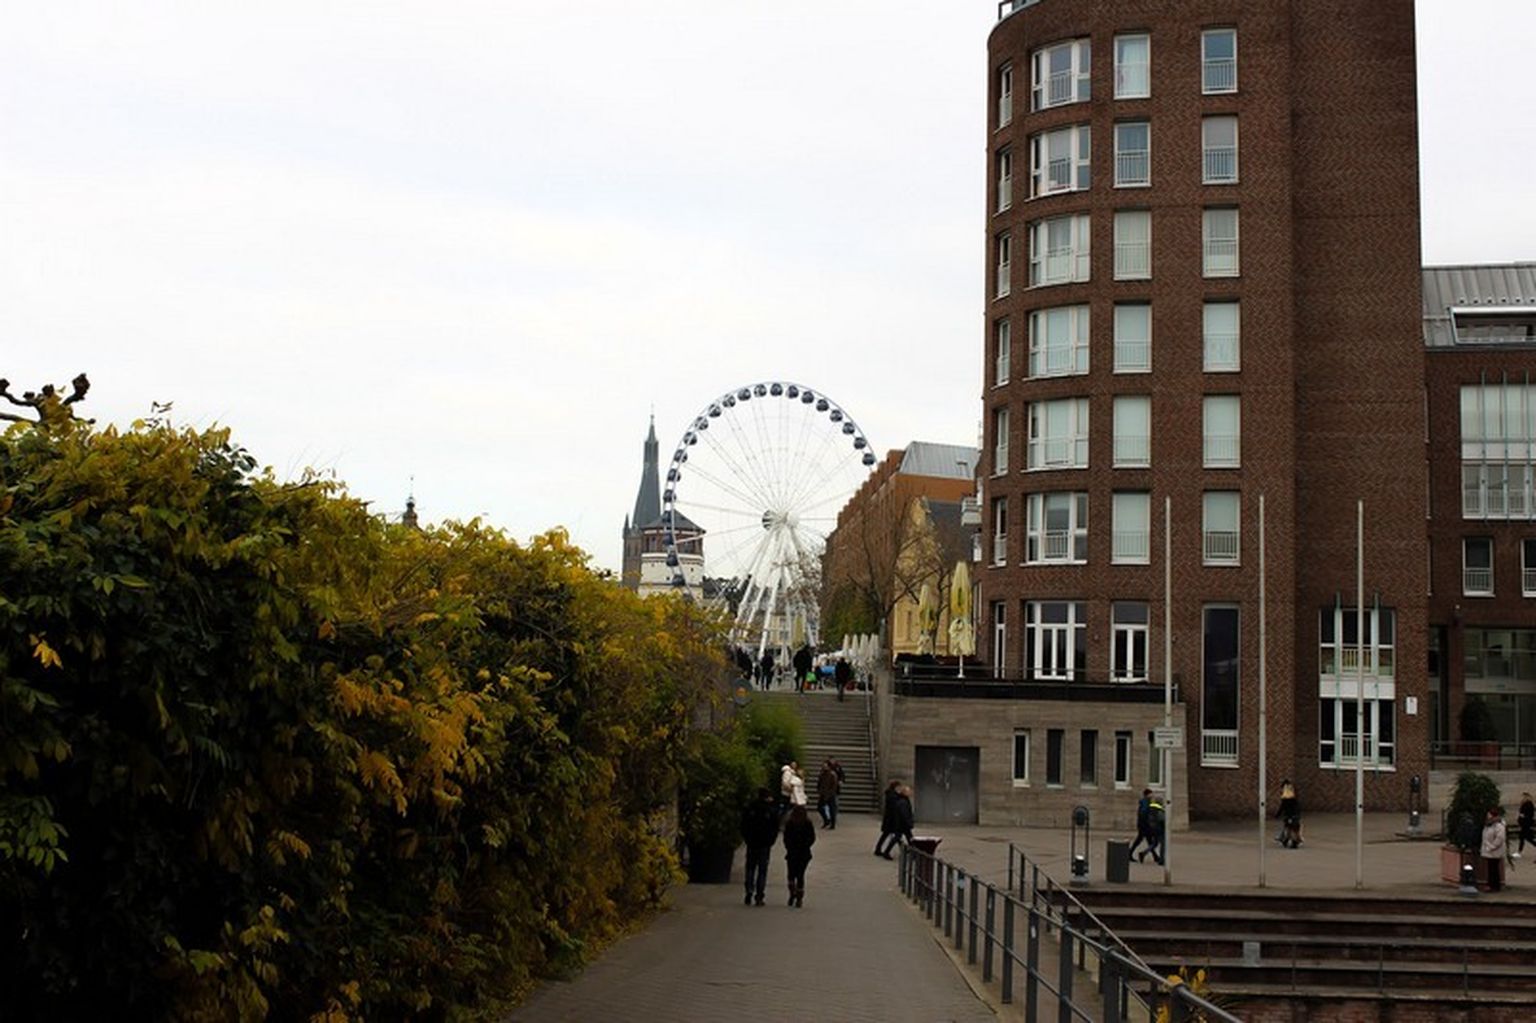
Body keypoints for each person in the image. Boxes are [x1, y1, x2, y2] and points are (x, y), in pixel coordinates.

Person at [740, 787, 780, 907]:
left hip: (752, 842)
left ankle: (749, 890)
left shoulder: (750, 808)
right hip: (764, 844)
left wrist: (747, 838)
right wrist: (771, 841)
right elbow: (775, 827)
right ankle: (759, 895)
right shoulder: (770, 810)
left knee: (750, 868)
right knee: (762, 870)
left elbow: (743, 824)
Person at [782, 804, 816, 907]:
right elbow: (812, 837)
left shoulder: (790, 823)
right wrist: (806, 845)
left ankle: (792, 893)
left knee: (791, 874)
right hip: (804, 853)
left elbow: (786, 837)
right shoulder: (807, 823)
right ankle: (799, 898)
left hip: (792, 852)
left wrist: (789, 847)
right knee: (800, 875)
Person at [874, 779, 904, 859]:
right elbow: (894, 807)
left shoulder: (891, 794)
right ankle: (886, 851)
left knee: (887, 834)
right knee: (896, 835)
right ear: (896, 787)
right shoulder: (893, 796)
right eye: (899, 787)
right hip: (891, 819)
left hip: (889, 819)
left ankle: (878, 849)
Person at [1482, 806, 1509, 892]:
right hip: (1489, 850)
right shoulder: (1489, 824)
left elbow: (1500, 838)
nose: (1487, 816)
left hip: (1495, 850)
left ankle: (1494, 886)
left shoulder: (1499, 825)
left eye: (1488, 814)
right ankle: (1491, 884)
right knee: (1491, 868)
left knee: (1494, 869)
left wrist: (1491, 846)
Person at [1128, 789, 1154, 863]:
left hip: (1143, 825)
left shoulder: (1146, 802)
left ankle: (1155, 856)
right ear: (1147, 794)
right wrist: (1147, 822)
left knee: (1149, 841)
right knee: (1142, 840)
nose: (1152, 795)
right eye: (1151, 794)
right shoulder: (1146, 802)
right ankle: (1130, 853)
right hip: (1144, 825)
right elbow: (1144, 813)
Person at [1276, 780, 1302, 849]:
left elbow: (1282, 808)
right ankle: (1290, 840)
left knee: (1289, 828)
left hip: (1289, 816)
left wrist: (1277, 815)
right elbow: (1297, 807)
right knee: (1293, 828)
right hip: (1295, 815)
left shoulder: (1285, 799)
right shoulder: (1293, 798)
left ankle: (1290, 841)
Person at [817, 759, 841, 829]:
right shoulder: (822, 774)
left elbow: (834, 786)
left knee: (832, 809)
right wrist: (819, 790)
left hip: (831, 794)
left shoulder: (832, 774)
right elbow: (820, 783)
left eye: (825, 765)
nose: (824, 767)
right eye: (823, 765)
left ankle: (832, 824)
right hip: (823, 793)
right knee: (819, 808)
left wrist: (830, 793)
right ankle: (826, 820)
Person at [1144, 794, 1166, 865]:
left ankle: (1144, 852)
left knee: (1155, 843)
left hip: (1153, 828)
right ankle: (1162, 860)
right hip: (1160, 829)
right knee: (1163, 844)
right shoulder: (1159, 809)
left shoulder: (1151, 808)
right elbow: (1162, 819)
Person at [1516, 792, 1534, 858]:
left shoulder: (1529, 804)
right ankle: (1519, 852)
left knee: (1525, 838)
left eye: (1524, 797)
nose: (1523, 798)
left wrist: (1523, 816)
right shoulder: (1524, 804)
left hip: (1526, 823)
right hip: (1524, 823)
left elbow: (1530, 814)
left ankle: (1519, 852)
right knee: (1524, 838)